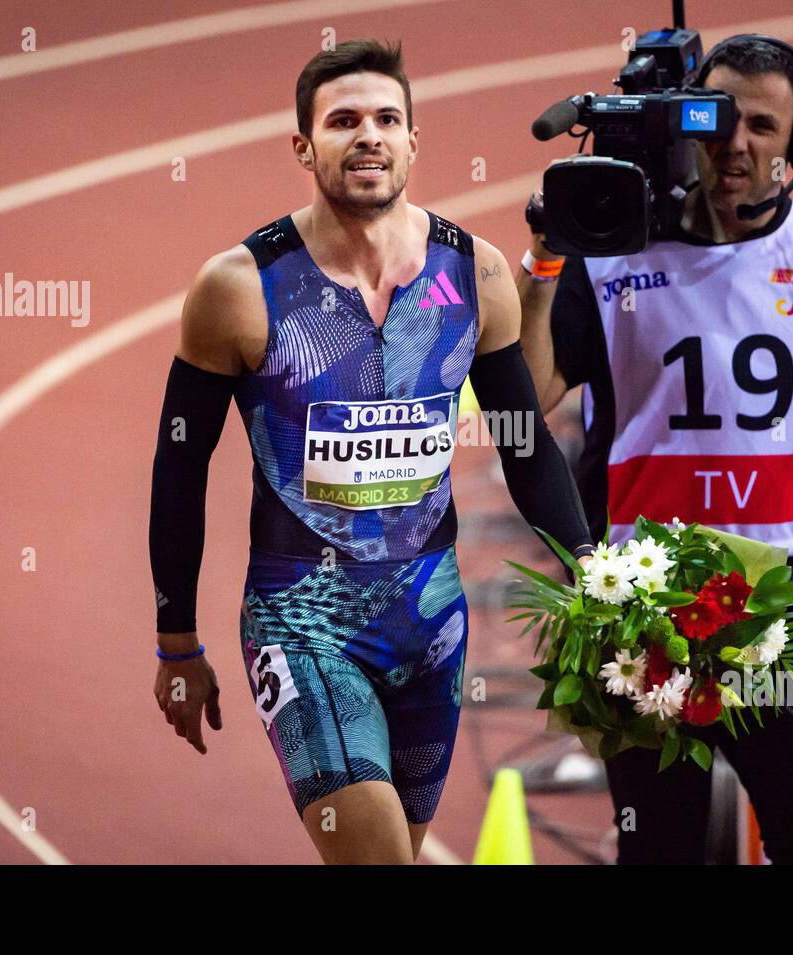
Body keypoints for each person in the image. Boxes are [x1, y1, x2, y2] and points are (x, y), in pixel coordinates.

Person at [147, 38, 594, 864]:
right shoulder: (239, 288)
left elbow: (525, 446)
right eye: (343, 121)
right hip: (302, 623)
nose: (369, 137)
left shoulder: (479, 274)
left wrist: (595, 571)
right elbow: (180, 463)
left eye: (388, 119)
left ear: (414, 142)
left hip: (432, 623)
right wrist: (178, 641)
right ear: (303, 146)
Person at [518, 35, 793, 864]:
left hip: (785, 607)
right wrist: (545, 265)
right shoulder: (613, 251)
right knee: (661, 853)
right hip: (639, 611)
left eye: (763, 125)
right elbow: (529, 406)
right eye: (717, 119)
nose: (737, 145)